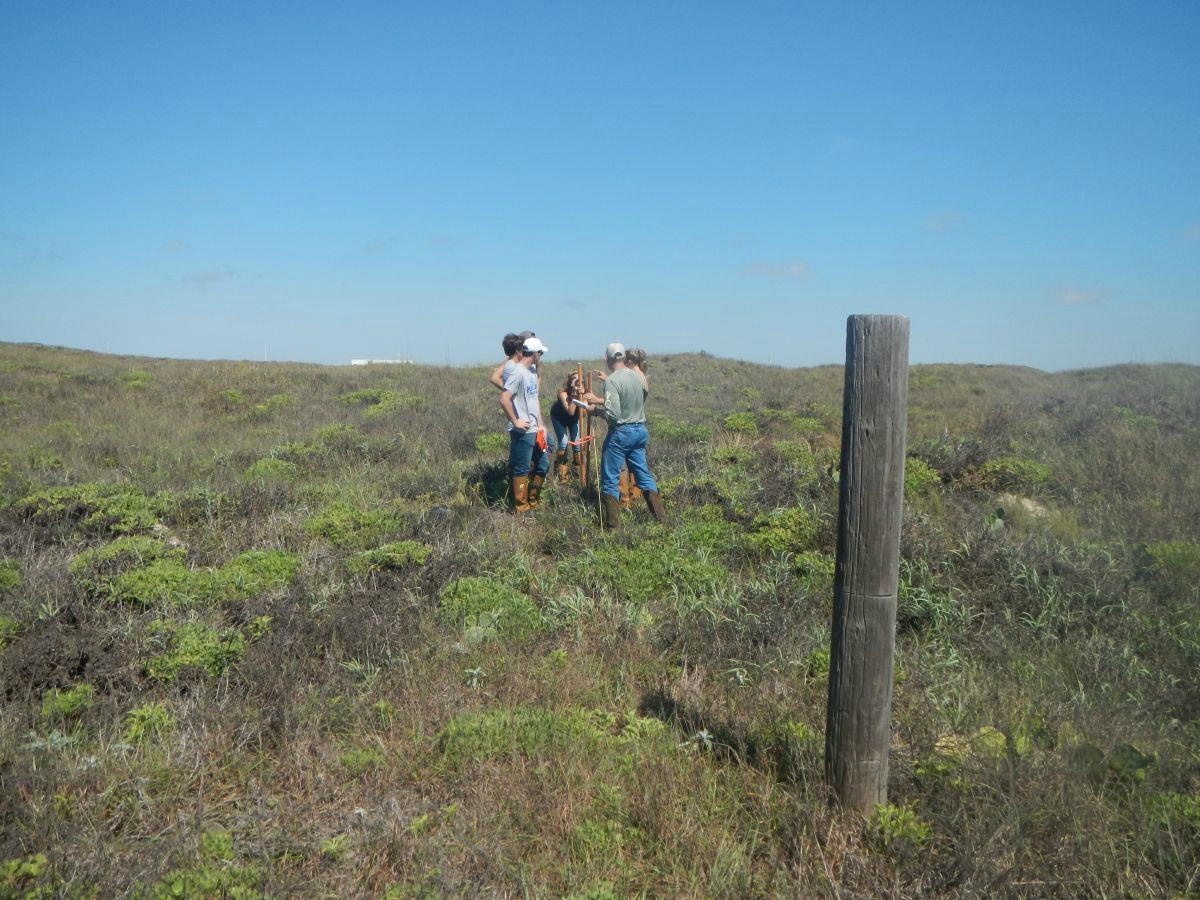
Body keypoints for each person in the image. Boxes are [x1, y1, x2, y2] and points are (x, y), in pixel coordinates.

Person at [584, 342, 667, 527]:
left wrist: (595, 412)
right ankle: (662, 522)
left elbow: (613, 414)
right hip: (640, 430)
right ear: (622, 357)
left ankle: (613, 528)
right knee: (643, 476)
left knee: (610, 479)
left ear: (608, 359)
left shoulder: (612, 381)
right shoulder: (638, 377)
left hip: (621, 433)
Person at [499, 337, 551, 513]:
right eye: (541, 353)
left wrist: (541, 423)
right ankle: (522, 508)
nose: (541, 356)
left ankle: (533, 501)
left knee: (543, 464)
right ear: (535, 354)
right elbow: (504, 398)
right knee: (522, 469)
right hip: (524, 431)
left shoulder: (530, 371)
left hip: (535, 429)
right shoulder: (518, 372)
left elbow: (533, 399)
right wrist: (516, 421)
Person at [549, 370, 585, 482]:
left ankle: (577, 475)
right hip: (559, 418)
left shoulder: (584, 394)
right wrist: (574, 394)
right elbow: (570, 411)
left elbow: (582, 414)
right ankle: (561, 476)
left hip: (573, 420)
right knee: (564, 442)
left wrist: (582, 397)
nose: (578, 383)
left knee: (577, 444)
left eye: (580, 380)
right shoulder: (562, 393)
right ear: (570, 382)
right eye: (575, 380)